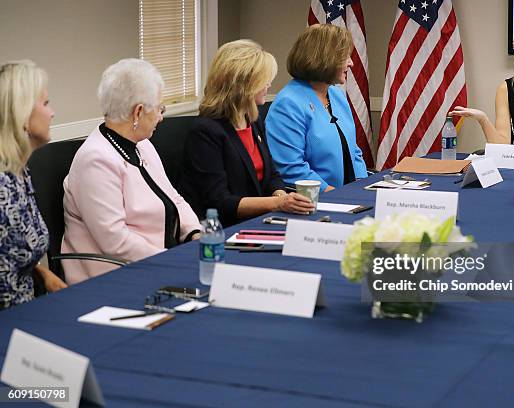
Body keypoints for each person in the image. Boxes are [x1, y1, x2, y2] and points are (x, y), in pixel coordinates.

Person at [62, 59, 201, 285]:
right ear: (138, 112)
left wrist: (194, 232)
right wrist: (171, 260)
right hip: (116, 276)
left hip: (158, 263)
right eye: (159, 109)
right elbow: (114, 241)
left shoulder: (142, 145)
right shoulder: (95, 160)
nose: (161, 117)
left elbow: (173, 196)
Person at [179, 40, 314, 227]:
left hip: (261, 221)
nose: (268, 84)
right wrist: (277, 203)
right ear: (244, 85)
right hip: (224, 229)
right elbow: (219, 201)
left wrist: (281, 195)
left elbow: (272, 175)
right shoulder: (205, 132)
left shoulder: (252, 120)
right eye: (263, 80)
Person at [265, 24, 368, 192]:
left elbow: (353, 151)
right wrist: (337, 195)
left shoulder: (336, 95)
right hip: (317, 200)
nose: (351, 63)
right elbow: (291, 169)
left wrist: (362, 187)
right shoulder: (288, 104)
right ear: (324, 58)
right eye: (345, 57)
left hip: (349, 195)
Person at [0, 60, 67, 310]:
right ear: (23, 116)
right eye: (46, 103)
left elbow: (11, 256)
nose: (52, 113)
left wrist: (42, 273)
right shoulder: (2, 188)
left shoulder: (20, 173)